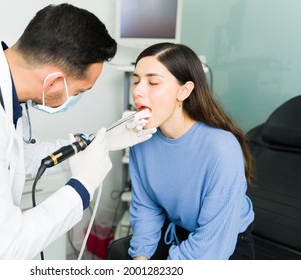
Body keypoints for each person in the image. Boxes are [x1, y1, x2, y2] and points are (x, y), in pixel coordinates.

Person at [0, 4, 156, 259]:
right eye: (80, 91)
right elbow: (3, 252)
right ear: (53, 81)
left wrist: (98, 143)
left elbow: (20, 157)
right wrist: (81, 187)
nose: (76, 97)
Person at [109, 42, 255, 260]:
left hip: (224, 243)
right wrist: (140, 257)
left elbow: (211, 243)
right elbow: (146, 205)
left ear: (184, 90)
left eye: (153, 82)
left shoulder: (222, 148)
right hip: (178, 233)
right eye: (136, 81)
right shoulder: (141, 139)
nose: (138, 91)